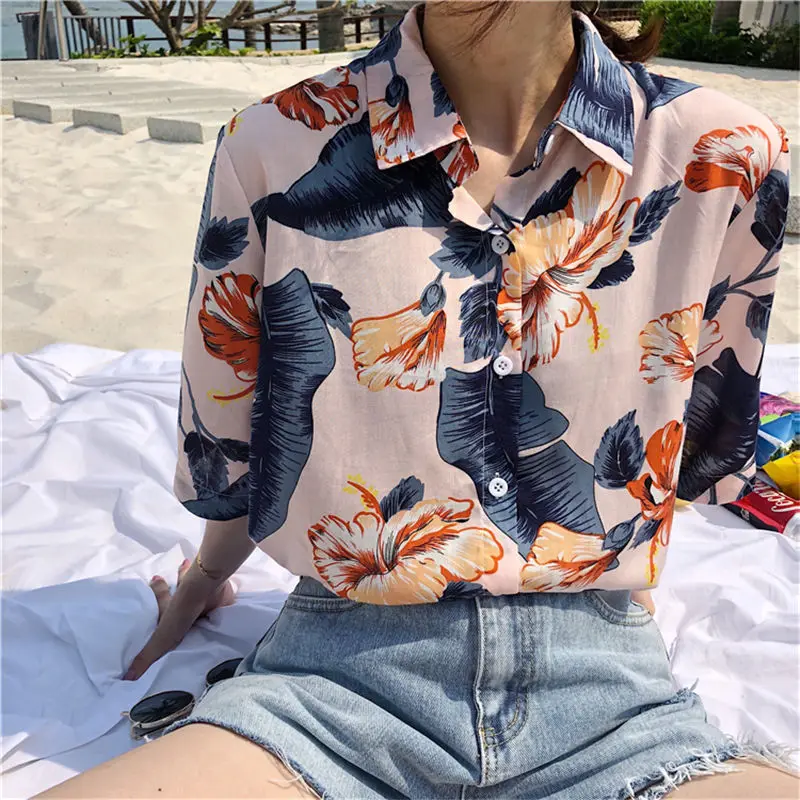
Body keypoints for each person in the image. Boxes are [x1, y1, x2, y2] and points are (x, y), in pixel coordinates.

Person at [42, 1, 796, 798]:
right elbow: (241, 434)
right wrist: (206, 574)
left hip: (612, 699)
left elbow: (693, 449)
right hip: (330, 688)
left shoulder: (726, 153)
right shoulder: (273, 144)